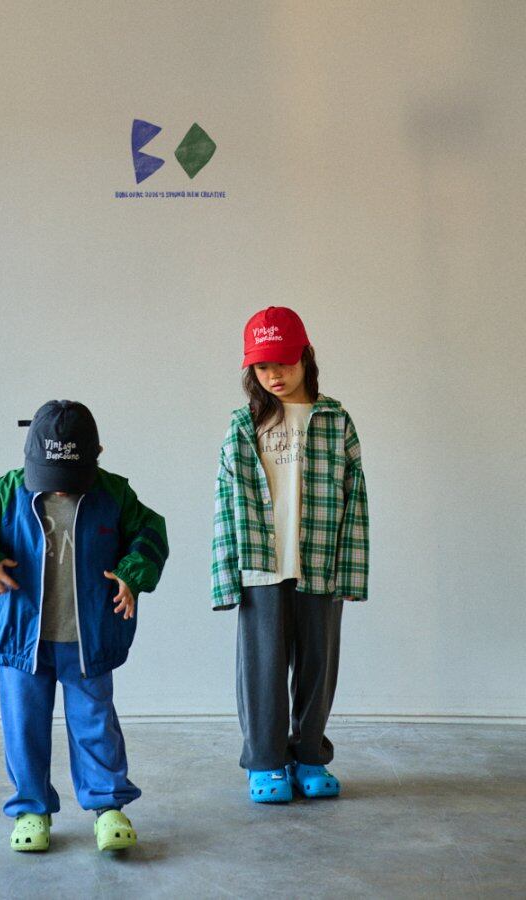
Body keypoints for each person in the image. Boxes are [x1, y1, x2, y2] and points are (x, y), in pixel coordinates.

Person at [0, 400, 168, 851]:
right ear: (29, 457)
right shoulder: (5, 492)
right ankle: (31, 809)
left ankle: (108, 807)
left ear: (97, 454)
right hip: (19, 638)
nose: (60, 489)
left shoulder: (113, 494)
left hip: (87, 638)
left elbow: (150, 533)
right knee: (23, 726)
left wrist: (132, 574)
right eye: (48, 476)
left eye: (71, 477)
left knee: (96, 724)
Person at [212, 306, 369, 803]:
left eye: (283, 362)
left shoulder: (335, 419)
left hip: (321, 562)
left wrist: (353, 572)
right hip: (261, 565)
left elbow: (355, 497)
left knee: (319, 666)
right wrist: (224, 579)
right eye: (262, 366)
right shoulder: (243, 425)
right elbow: (224, 503)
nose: (274, 375)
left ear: (306, 356)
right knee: (262, 670)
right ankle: (265, 762)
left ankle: (309, 756)